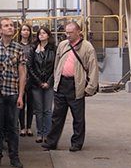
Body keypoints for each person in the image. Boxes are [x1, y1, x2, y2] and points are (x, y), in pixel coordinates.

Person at [42, 21, 99, 152]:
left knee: (78, 118)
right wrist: (56, 80)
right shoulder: (63, 45)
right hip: (61, 84)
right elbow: (57, 64)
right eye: (66, 33)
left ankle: (76, 143)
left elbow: (93, 68)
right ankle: (51, 142)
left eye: (70, 33)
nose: (68, 35)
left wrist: (90, 87)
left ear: (78, 32)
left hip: (76, 85)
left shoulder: (87, 47)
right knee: (57, 116)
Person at [0, 18, 26, 168]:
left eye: (11, 25)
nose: (10, 28)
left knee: (13, 127)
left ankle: (14, 157)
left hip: (12, 93)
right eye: (6, 25)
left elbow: (22, 73)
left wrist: (20, 95)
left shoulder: (18, 48)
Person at [27, 27, 56, 144]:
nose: (41, 35)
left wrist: (48, 82)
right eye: (40, 33)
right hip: (36, 84)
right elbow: (30, 67)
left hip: (49, 84)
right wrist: (39, 82)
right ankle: (40, 133)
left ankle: (47, 134)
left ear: (48, 35)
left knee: (47, 110)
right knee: (39, 110)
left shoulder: (54, 49)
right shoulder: (33, 49)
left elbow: (56, 67)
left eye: (44, 33)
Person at [17, 23, 34, 137]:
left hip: (31, 79)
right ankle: (22, 127)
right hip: (20, 79)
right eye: (23, 30)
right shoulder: (17, 46)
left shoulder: (33, 46)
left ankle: (29, 127)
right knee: (21, 103)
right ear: (20, 32)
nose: (26, 32)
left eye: (27, 30)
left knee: (31, 105)